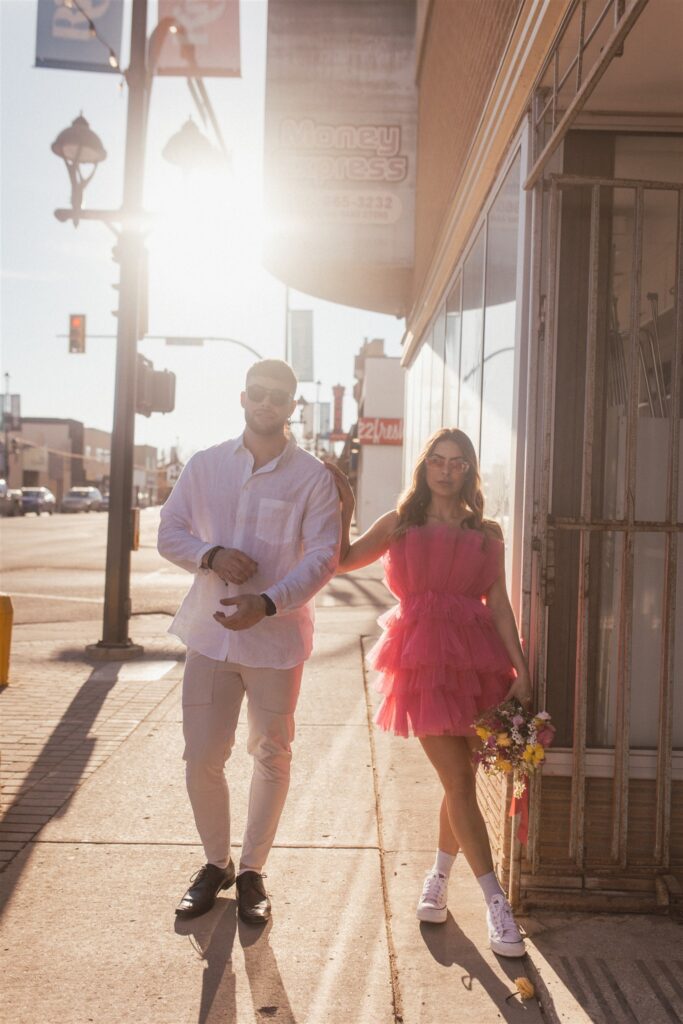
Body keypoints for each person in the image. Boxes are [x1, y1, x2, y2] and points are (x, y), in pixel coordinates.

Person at [328, 428, 532, 957]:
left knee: (459, 780)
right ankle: (497, 905)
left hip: (477, 664)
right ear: (425, 467)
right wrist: (344, 502)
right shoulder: (400, 523)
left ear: (469, 469)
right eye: (438, 460)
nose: (446, 470)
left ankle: (438, 879)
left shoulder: (487, 531)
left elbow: (501, 608)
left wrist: (522, 671)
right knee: (460, 781)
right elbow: (343, 559)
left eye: (457, 462)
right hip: (421, 663)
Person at [158, 359, 340, 925]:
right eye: (258, 393)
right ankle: (215, 863)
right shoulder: (207, 464)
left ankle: (253, 872)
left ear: (292, 406)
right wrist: (210, 556)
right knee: (202, 757)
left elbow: (322, 557)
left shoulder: (313, 477)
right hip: (210, 637)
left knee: (272, 754)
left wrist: (267, 602)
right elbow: (169, 531)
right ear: (243, 397)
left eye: (278, 396)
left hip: (276, 642)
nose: (267, 403)